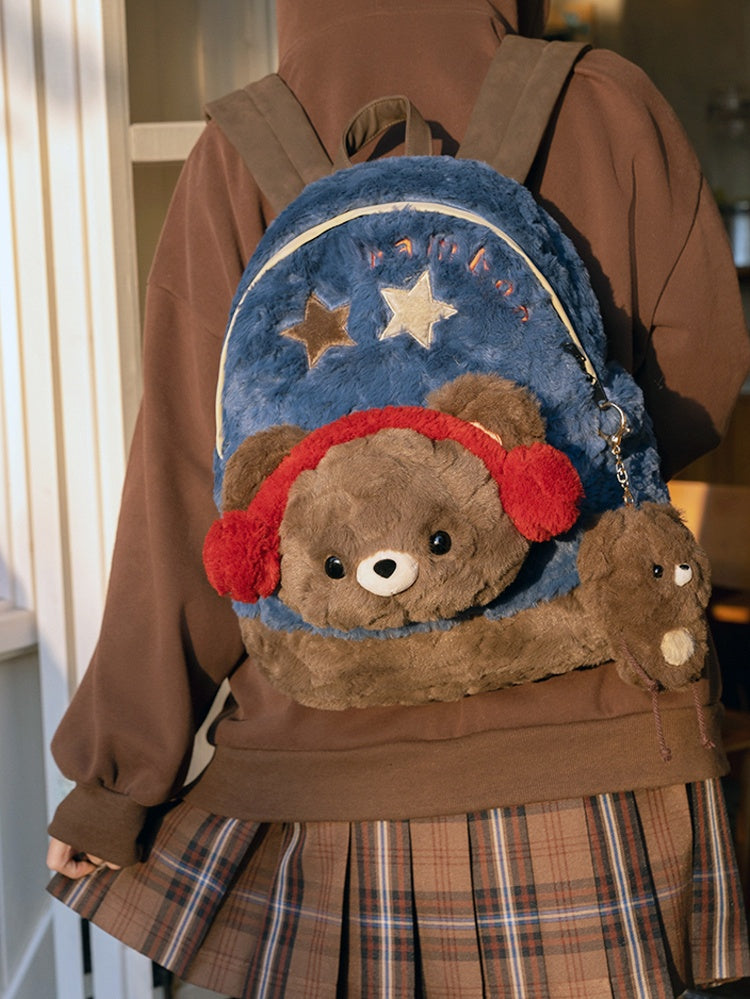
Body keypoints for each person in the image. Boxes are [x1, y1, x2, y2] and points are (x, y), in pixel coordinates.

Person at [46, 1, 750, 996]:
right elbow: (700, 380)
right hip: (586, 753)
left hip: (321, 774)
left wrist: (115, 777)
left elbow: (183, 491)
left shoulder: (236, 153)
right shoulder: (605, 104)